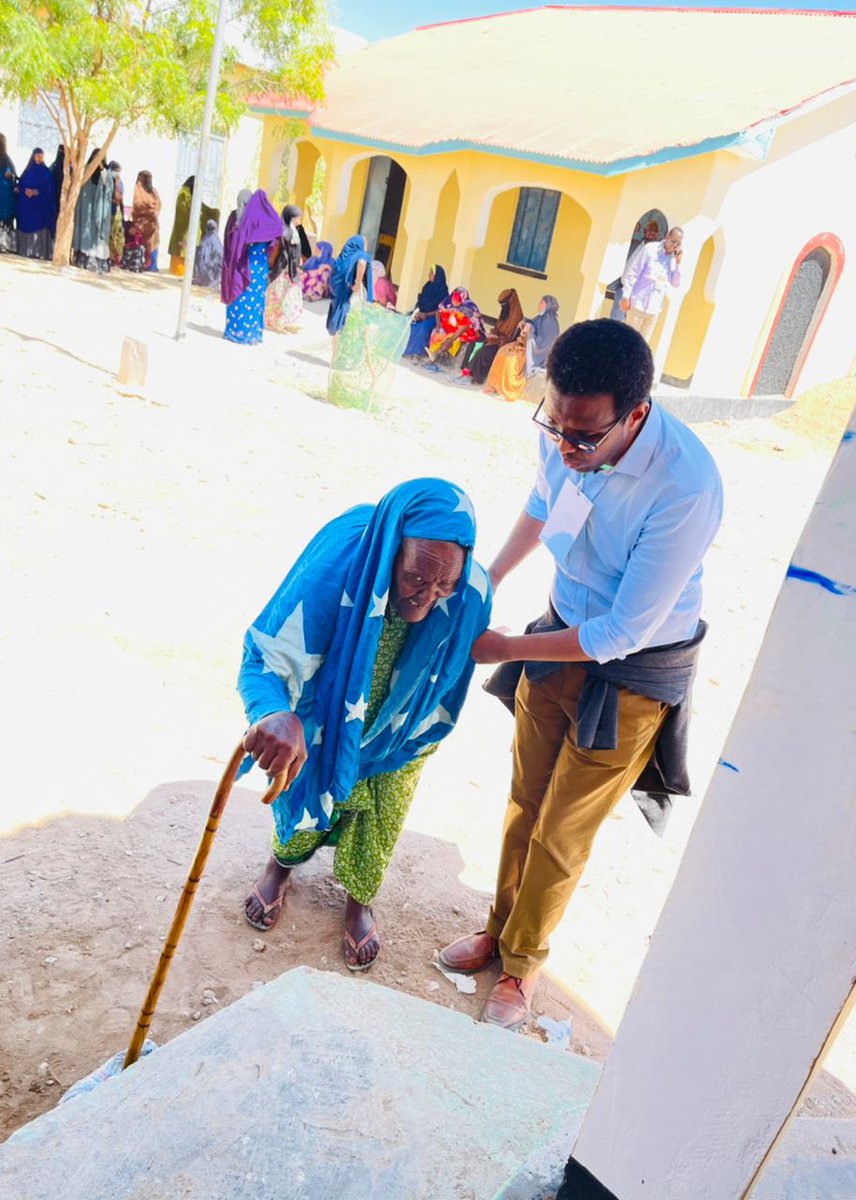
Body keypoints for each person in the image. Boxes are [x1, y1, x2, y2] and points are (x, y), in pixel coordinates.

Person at [438, 319, 723, 1031]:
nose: (566, 445)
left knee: (562, 831)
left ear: (636, 414)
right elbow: (546, 504)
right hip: (555, 635)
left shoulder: (685, 487)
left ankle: (523, 967)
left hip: (628, 677)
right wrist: (490, 577)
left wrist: (506, 649)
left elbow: (623, 631)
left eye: (585, 436)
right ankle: (499, 931)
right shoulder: (568, 429)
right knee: (523, 803)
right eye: (556, 424)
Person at [239, 477, 492, 969]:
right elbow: (266, 652)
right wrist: (273, 712)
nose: (428, 597)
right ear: (390, 550)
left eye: (444, 584)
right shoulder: (343, 561)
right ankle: (281, 864)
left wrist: (415, 734)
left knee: (384, 808)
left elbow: (454, 674)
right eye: (415, 578)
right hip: (329, 710)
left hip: (401, 726)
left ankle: (357, 900)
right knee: (305, 783)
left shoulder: (468, 591)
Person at [221, 188, 283, 345]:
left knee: (241, 296)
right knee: (255, 300)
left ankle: (237, 332)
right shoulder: (266, 221)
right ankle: (253, 334)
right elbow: (276, 235)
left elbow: (234, 244)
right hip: (260, 267)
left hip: (244, 264)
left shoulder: (245, 220)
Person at [484, 296, 560, 402]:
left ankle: (509, 390)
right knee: (502, 350)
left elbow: (544, 344)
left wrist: (530, 330)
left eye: (542, 303)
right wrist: (524, 322)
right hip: (526, 345)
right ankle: (495, 386)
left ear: (548, 306)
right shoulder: (540, 318)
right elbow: (532, 323)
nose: (539, 305)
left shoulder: (551, 324)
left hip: (536, 353)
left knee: (510, 359)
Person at [620, 226, 684, 341]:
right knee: (628, 341)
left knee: (642, 346)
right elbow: (633, 273)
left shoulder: (673, 259)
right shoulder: (650, 249)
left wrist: (678, 263)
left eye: (678, 243)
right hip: (637, 305)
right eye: (673, 241)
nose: (674, 245)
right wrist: (626, 296)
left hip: (653, 311)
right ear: (667, 237)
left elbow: (675, 283)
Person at [462, 287, 524, 384]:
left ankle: (474, 378)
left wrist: (498, 338)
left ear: (511, 302)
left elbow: (513, 339)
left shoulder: (517, 318)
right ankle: (464, 371)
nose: (502, 307)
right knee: (474, 341)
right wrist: (492, 334)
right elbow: (498, 328)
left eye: (504, 304)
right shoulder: (505, 312)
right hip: (495, 339)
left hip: (503, 344)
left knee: (484, 351)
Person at [264, 204, 306, 333]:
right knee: (278, 295)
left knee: (290, 296)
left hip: (291, 270)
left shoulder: (293, 230)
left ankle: (286, 321)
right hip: (282, 269)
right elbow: (277, 250)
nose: (298, 220)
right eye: (296, 217)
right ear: (290, 217)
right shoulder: (282, 230)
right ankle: (275, 322)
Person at [73, 149, 114, 273]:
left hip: (99, 211)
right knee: (85, 232)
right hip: (86, 208)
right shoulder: (86, 170)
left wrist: (101, 166)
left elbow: (108, 185)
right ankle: (82, 258)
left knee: (97, 234)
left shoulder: (106, 172)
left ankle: (97, 262)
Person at [326, 234, 373, 337]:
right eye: (365, 244)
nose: (366, 247)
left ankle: (336, 333)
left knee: (341, 316)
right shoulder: (361, 254)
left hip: (340, 293)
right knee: (353, 317)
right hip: (354, 293)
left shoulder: (344, 257)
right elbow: (362, 263)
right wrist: (357, 283)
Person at [426, 287, 485, 367]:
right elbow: (438, 311)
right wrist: (438, 325)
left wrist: (450, 340)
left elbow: (465, 327)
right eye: (453, 299)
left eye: (457, 301)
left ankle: (438, 353)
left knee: (452, 339)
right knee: (437, 333)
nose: (454, 302)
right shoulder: (447, 301)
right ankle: (435, 353)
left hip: (469, 332)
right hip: (452, 327)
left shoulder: (468, 308)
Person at [16, 148, 55, 260]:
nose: (39, 158)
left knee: (38, 224)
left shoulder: (45, 172)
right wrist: (20, 189)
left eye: (41, 156)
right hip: (26, 205)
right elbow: (22, 182)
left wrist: (35, 192)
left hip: (39, 207)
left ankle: (38, 251)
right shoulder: (28, 170)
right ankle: (25, 249)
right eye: (37, 156)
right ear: (33, 156)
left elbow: (49, 190)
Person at [403, 265, 449, 359]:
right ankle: (404, 348)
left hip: (434, 317)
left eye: (432, 273)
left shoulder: (443, 292)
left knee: (423, 327)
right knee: (408, 321)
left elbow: (439, 310)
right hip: (422, 312)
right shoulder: (427, 286)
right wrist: (418, 313)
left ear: (437, 276)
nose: (429, 274)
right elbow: (420, 302)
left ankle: (417, 352)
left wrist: (427, 315)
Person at [131, 171, 161, 272]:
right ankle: (150, 266)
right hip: (149, 222)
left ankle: (148, 265)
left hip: (144, 223)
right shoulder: (153, 191)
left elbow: (138, 205)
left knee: (148, 244)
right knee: (151, 243)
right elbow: (158, 204)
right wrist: (153, 213)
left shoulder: (140, 190)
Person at [168, 176, 194, 275]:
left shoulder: (187, 193)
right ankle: (178, 271)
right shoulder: (184, 193)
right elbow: (183, 211)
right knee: (180, 250)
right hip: (181, 227)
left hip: (184, 227)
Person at [193, 218, 223, 289]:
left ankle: (204, 280)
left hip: (210, 270)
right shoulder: (216, 240)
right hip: (216, 271)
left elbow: (203, 257)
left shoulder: (207, 239)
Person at [0, 134, 17, 254]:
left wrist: (10, 175)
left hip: (6, 197)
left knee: (6, 221)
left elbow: (14, 176)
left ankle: (4, 245)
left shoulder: (7, 160)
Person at [107, 161, 125, 266]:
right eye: (116, 171)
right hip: (110, 209)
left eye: (119, 171)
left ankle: (116, 257)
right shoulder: (108, 180)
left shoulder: (119, 181)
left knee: (117, 233)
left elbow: (120, 196)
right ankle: (110, 257)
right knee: (110, 234)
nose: (117, 173)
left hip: (116, 209)